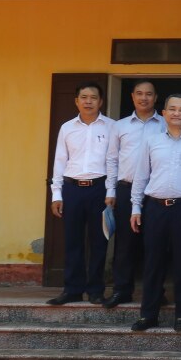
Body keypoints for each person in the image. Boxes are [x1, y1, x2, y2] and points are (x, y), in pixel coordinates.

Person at [129, 94, 181, 332]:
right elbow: (141, 176)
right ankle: (149, 314)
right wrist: (136, 207)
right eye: (172, 109)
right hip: (155, 207)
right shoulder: (151, 141)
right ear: (164, 113)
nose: (176, 113)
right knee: (153, 262)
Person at [47, 82, 114, 306]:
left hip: (100, 189)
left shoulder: (112, 127)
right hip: (72, 188)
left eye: (93, 97)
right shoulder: (67, 128)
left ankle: (95, 290)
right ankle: (72, 289)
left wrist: (111, 191)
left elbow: (114, 162)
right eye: (83, 97)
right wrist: (57, 194)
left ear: (100, 101)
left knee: (99, 241)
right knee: (72, 241)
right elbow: (59, 161)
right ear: (76, 101)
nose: (88, 101)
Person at [103, 80, 163, 309]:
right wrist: (111, 190)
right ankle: (122, 289)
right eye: (139, 94)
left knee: (155, 245)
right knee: (125, 244)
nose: (144, 98)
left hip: (156, 192)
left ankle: (156, 292)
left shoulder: (165, 124)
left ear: (156, 97)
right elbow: (112, 159)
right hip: (126, 189)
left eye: (149, 94)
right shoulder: (120, 126)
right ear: (132, 96)